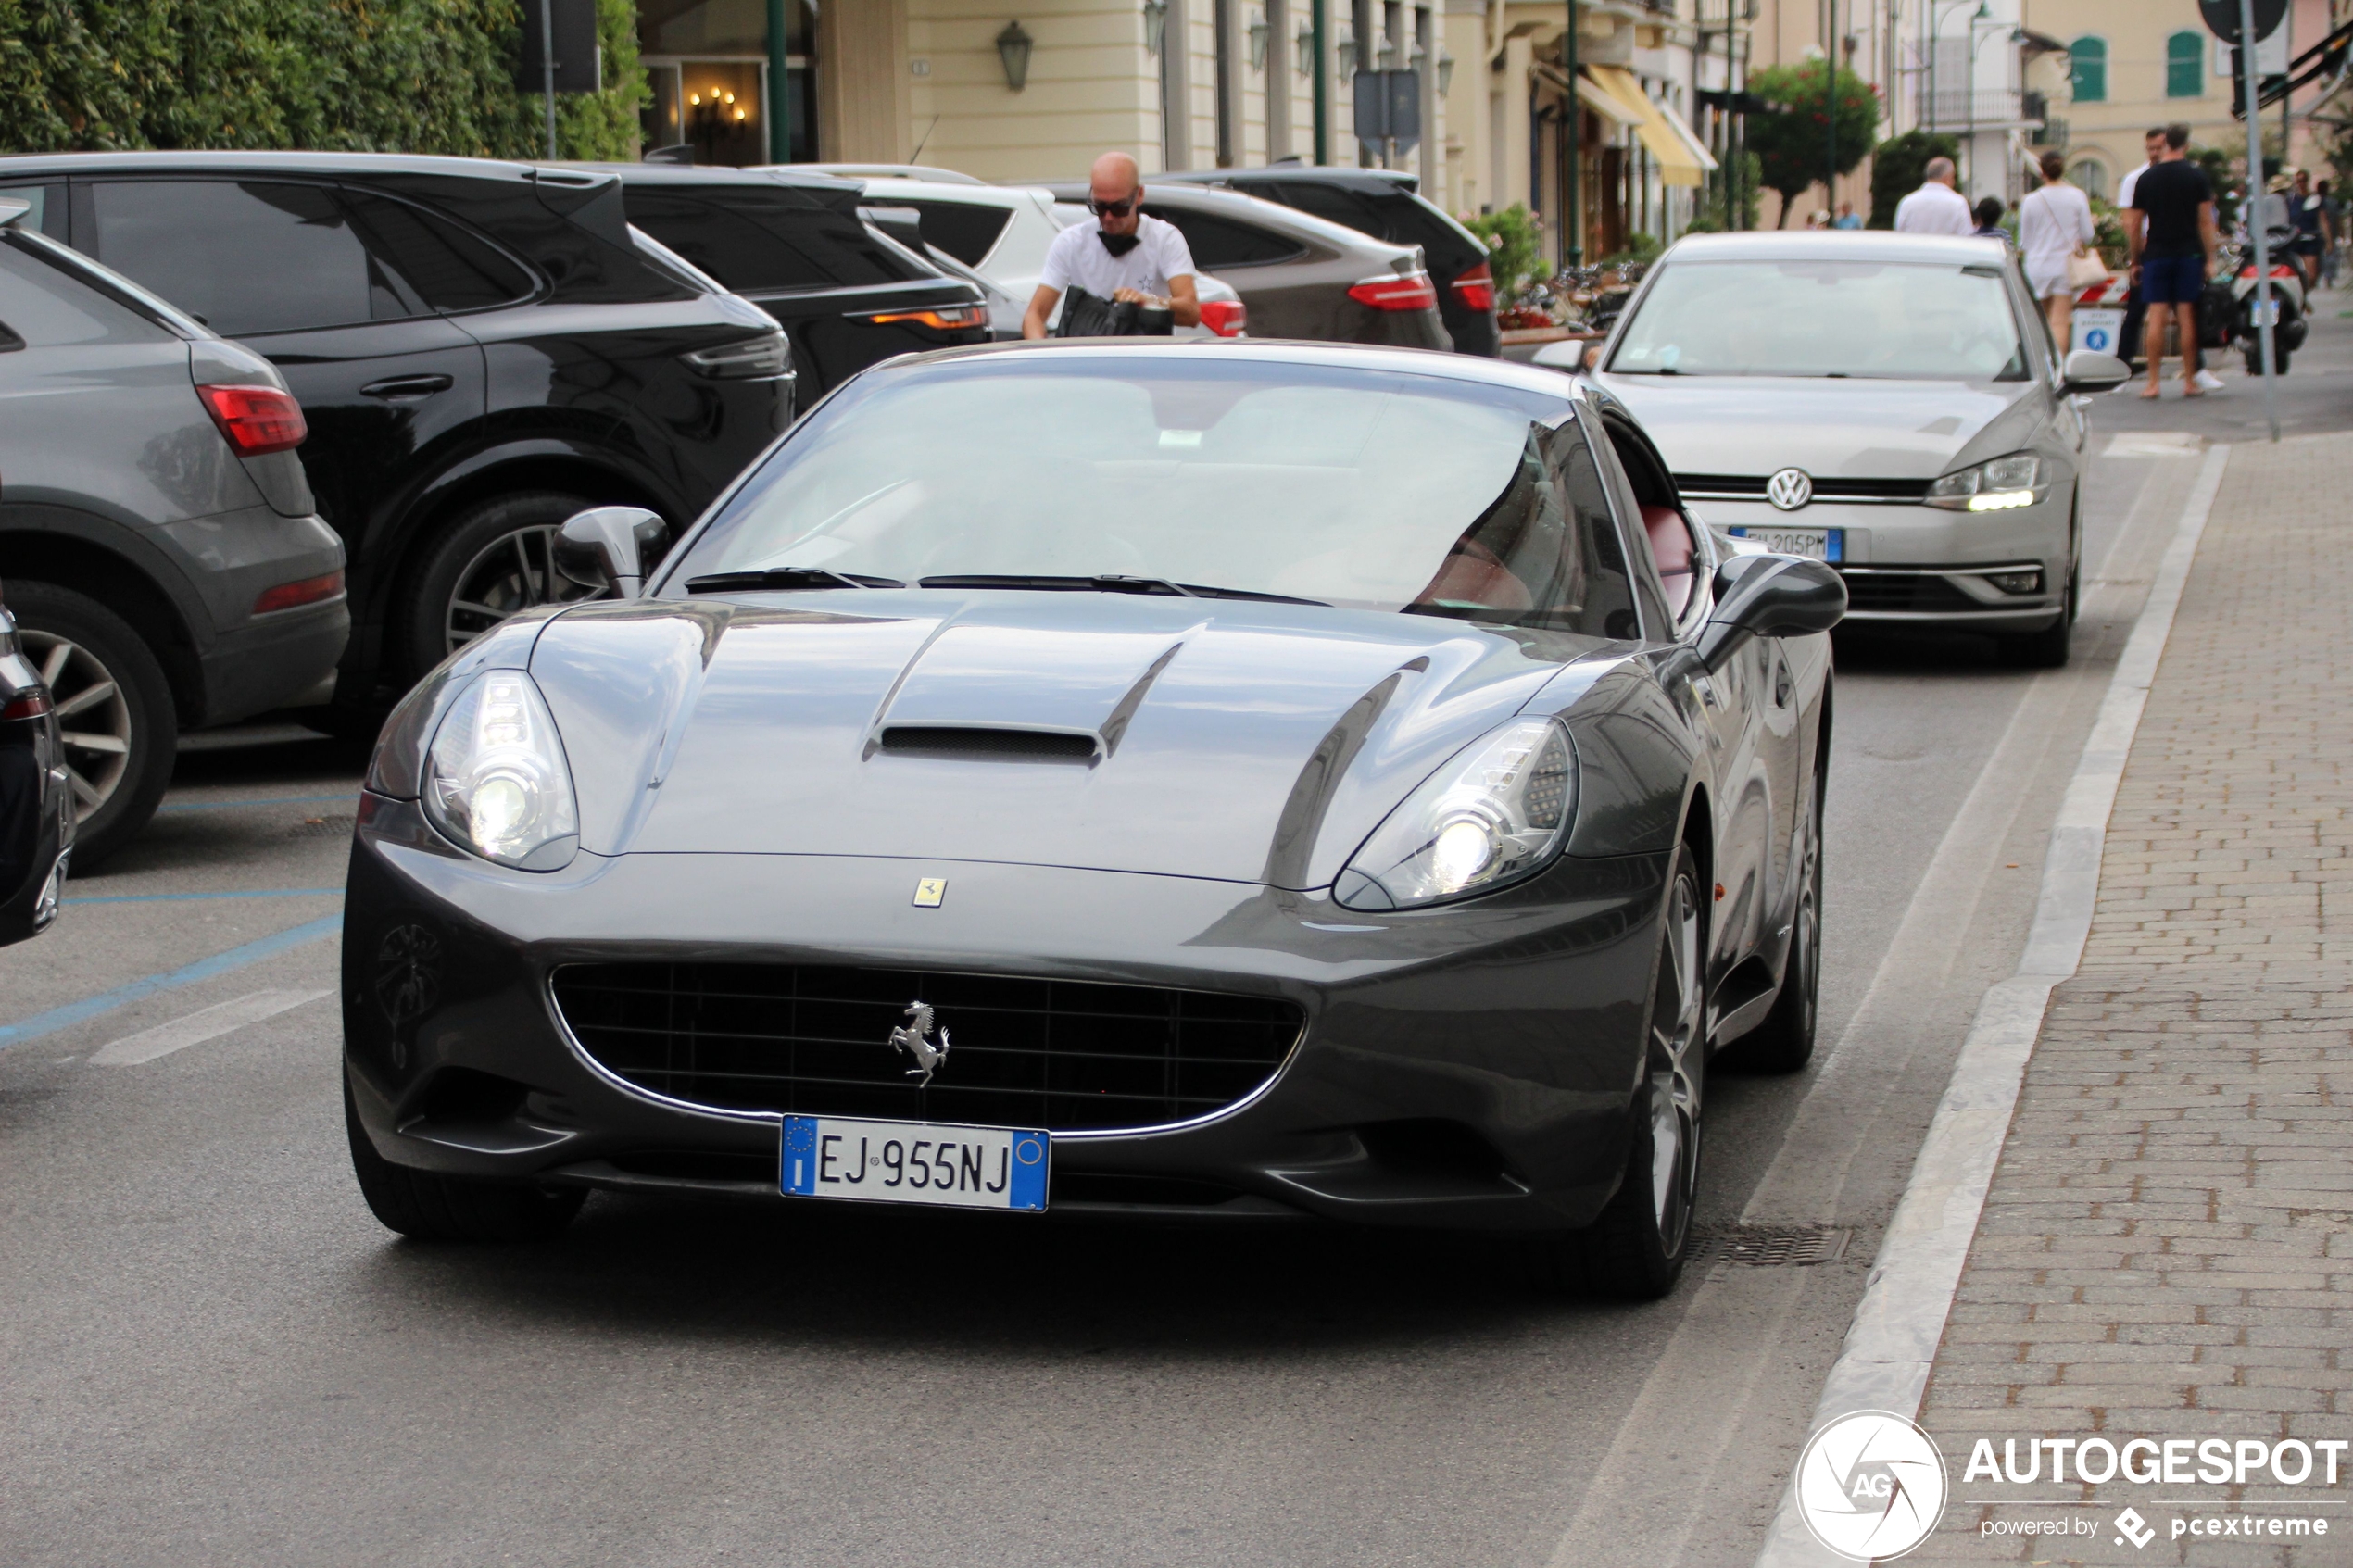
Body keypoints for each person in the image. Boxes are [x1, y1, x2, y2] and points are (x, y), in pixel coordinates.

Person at [1022, 151, 1201, 339]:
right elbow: (1034, 315)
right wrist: (1047, 357)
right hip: (1085, 358)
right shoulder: (1071, 241)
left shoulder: (1164, 239)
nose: (1108, 217)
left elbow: (1191, 312)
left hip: (1143, 358)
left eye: (1119, 208)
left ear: (1139, 195)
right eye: (1099, 207)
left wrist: (1148, 301)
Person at [2124, 123, 2220, 398]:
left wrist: (2135, 260)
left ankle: (2153, 382)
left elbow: (2134, 224)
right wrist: (2209, 258)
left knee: (2156, 316)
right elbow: (2205, 221)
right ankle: (2189, 380)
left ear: (2165, 144)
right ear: (2186, 145)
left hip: (2156, 253)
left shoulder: (2147, 178)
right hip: (2188, 253)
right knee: (2186, 316)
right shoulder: (2196, 176)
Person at [2019, 150, 2096, 343]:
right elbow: (2087, 235)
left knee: (2039, 321)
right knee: (2060, 321)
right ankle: (2058, 369)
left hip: (2037, 265)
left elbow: (2024, 241)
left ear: (2041, 172)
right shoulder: (2077, 196)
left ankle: (2041, 367)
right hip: (2065, 265)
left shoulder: (2030, 200)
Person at [1893, 157, 1973, 234]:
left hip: (1914, 248)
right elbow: (1966, 236)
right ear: (1948, 177)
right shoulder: (1958, 203)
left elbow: (1899, 234)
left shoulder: (1907, 202)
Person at [2290, 168, 2325, 290]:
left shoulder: (2315, 199)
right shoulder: (2291, 200)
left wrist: (2329, 239)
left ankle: (2304, 292)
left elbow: (2323, 219)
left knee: (2311, 276)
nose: (2301, 183)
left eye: (2303, 180)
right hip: (2295, 239)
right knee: (2295, 273)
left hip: (2311, 238)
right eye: (2298, 181)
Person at [2320, 178, 2345, 288]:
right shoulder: (2333, 202)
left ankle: (2324, 276)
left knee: (2323, 256)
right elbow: (2339, 219)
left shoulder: (2316, 201)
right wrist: (2341, 231)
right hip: (2332, 232)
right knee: (2331, 256)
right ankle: (2328, 276)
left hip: (2318, 234)